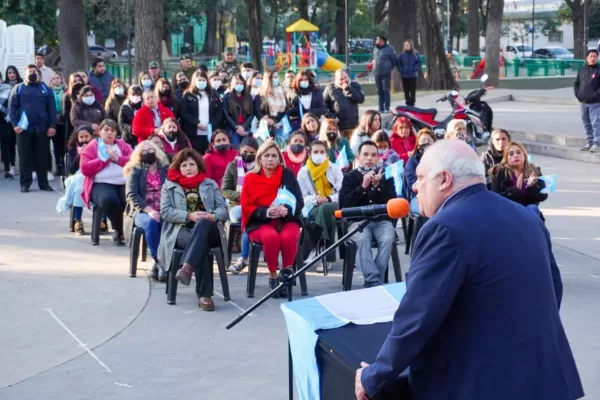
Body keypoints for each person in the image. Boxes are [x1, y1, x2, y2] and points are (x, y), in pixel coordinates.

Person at [355, 140, 583, 400]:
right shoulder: (527, 217)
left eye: (419, 178)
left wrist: (374, 376)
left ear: (444, 179)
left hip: (483, 385)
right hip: (545, 379)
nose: (415, 186)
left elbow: (418, 316)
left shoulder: (444, 228)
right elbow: (553, 289)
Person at [159, 148, 228, 311]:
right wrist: (189, 215)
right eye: (184, 165)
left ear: (199, 166)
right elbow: (165, 211)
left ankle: (187, 267)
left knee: (203, 224)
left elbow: (223, 210)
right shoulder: (169, 186)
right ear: (178, 168)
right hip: (180, 230)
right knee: (200, 244)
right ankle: (205, 295)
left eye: (192, 164)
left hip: (210, 228)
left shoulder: (210, 184)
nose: (188, 167)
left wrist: (211, 216)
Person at [240, 140, 304, 295]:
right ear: (260, 158)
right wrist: (268, 212)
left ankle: (286, 274)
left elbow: (298, 200)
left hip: (286, 219)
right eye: (266, 155)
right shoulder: (250, 178)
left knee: (289, 237)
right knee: (271, 237)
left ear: (279, 158)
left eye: (274, 156)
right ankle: (273, 276)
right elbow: (246, 206)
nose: (270, 159)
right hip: (259, 221)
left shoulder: (287, 174)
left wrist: (285, 210)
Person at [339, 140, 396, 287]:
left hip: (382, 221)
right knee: (363, 239)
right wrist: (363, 186)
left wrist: (379, 187)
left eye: (373, 155)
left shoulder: (385, 175)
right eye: (365, 155)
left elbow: (393, 203)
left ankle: (373, 281)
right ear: (358, 158)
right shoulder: (350, 177)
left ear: (378, 158)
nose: (369, 158)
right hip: (358, 222)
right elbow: (344, 205)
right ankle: (374, 282)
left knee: (388, 237)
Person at [80, 119, 133, 245]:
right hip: (100, 183)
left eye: (113, 130)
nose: (109, 133)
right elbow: (85, 168)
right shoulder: (92, 146)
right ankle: (120, 230)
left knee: (130, 200)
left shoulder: (122, 145)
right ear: (100, 132)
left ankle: (126, 230)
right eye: (106, 130)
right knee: (109, 199)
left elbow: (134, 160)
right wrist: (105, 159)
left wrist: (118, 159)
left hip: (122, 182)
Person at [124, 139, 169, 281]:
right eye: (144, 151)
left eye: (151, 150)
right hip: (142, 211)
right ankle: (159, 262)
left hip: (164, 209)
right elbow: (132, 195)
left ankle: (167, 263)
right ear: (138, 154)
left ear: (157, 152)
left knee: (169, 222)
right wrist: (149, 210)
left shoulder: (165, 170)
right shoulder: (135, 170)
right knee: (152, 222)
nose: (148, 153)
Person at [9, 64, 57, 192]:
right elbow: (12, 108)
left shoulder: (45, 89)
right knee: (25, 157)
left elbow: (51, 108)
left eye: (34, 71)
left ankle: (44, 183)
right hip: (23, 129)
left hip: (42, 128)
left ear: (38, 73)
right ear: (25, 74)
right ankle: (25, 184)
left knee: (42, 157)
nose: (32, 73)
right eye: (29, 71)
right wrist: (14, 125)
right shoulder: (18, 89)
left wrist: (52, 125)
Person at [297, 139, 343, 271]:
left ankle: (317, 249)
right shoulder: (303, 172)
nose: (319, 154)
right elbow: (302, 197)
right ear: (310, 154)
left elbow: (342, 193)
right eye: (316, 152)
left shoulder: (334, 168)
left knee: (325, 208)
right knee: (322, 211)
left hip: (333, 204)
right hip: (311, 206)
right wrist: (315, 199)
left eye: (322, 152)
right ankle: (325, 254)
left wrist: (328, 198)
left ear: (327, 154)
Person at [222, 137, 259, 274]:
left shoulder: (260, 166)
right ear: (240, 151)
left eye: (251, 153)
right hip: (237, 206)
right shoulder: (232, 166)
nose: (248, 155)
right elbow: (225, 190)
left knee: (249, 217)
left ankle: (243, 259)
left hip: (258, 204)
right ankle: (244, 258)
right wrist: (244, 196)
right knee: (246, 215)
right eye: (245, 152)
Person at [490, 142, 548, 216]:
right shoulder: (499, 172)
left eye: (518, 153)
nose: (515, 156)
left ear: (524, 155)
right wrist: (515, 190)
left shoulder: (535, 170)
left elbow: (543, 196)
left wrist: (531, 187)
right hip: (508, 210)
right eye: (511, 154)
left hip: (528, 211)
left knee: (533, 208)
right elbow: (495, 198)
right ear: (506, 158)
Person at [179, 70, 224, 154]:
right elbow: (185, 112)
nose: (201, 82)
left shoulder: (213, 94)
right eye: (199, 80)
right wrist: (197, 123)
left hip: (210, 131)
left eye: (203, 80)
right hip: (193, 132)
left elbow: (219, 111)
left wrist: (211, 124)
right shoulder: (188, 95)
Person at [65, 125, 94, 234]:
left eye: (86, 136)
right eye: (81, 137)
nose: (84, 139)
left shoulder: (96, 147)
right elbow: (71, 169)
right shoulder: (73, 150)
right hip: (78, 175)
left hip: (92, 175)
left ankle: (102, 220)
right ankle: (77, 220)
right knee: (78, 190)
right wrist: (79, 156)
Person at [323, 69, 365, 140]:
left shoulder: (355, 85)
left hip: (353, 125)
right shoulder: (330, 88)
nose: (344, 80)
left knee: (352, 147)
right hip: (337, 126)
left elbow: (361, 99)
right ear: (336, 79)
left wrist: (349, 90)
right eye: (341, 79)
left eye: (345, 77)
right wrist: (331, 116)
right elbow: (323, 105)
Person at [574, 49, 600, 153]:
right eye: (591, 56)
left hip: (595, 103)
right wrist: (578, 94)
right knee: (587, 123)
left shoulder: (598, 70)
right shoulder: (582, 70)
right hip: (583, 102)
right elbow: (576, 83)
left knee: (595, 123)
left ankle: (597, 143)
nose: (593, 58)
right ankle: (590, 141)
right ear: (587, 58)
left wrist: (595, 95)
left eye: (595, 56)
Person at [405, 128, 436, 213]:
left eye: (429, 140)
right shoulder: (412, 161)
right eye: (423, 140)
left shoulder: (441, 158)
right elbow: (411, 183)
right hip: (419, 196)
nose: (426, 142)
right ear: (418, 145)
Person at [223, 74, 255, 148]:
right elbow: (226, 114)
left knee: (246, 149)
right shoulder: (227, 96)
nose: (239, 85)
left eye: (241, 83)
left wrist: (243, 126)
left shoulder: (248, 96)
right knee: (235, 150)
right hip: (233, 129)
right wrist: (235, 127)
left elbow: (251, 114)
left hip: (245, 129)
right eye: (237, 83)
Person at [255, 70, 290, 137]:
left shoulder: (282, 92)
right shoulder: (261, 94)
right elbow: (258, 111)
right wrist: (268, 121)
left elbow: (287, 109)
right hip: (267, 126)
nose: (276, 79)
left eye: (277, 77)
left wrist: (280, 122)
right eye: (274, 77)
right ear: (268, 79)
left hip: (281, 124)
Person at [372, 35, 397, 113]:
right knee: (379, 91)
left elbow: (394, 61)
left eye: (378, 40)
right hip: (376, 73)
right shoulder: (375, 49)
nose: (376, 41)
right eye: (376, 40)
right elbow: (374, 58)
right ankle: (380, 107)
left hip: (385, 74)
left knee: (385, 90)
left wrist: (388, 68)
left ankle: (386, 107)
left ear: (382, 41)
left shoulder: (389, 49)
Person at [49, 72, 67, 176]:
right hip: (53, 121)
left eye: (58, 78)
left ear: (61, 79)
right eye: (54, 78)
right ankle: (57, 165)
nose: (56, 80)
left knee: (63, 144)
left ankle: (64, 165)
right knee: (56, 145)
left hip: (63, 120)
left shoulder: (65, 91)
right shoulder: (49, 91)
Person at [0, 72, 17, 178]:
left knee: (6, 145)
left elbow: (11, 105)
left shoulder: (8, 90)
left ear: (1, 79)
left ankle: (8, 168)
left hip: (4, 121)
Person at [396, 39, 422, 107]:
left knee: (412, 90)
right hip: (404, 75)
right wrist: (402, 70)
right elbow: (398, 63)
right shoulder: (402, 54)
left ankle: (412, 103)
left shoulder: (415, 53)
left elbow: (419, 62)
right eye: (405, 45)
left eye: (407, 45)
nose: (406, 46)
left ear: (411, 45)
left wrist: (415, 69)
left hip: (413, 75)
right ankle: (407, 102)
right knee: (406, 90)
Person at [63, 73, 85, 139]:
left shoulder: (88, 93)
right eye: (75, 81)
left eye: (79, 80)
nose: (78, 82)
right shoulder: (67, 96)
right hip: (72, 126)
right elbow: (65, 113)